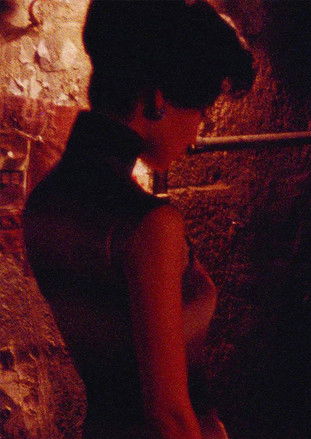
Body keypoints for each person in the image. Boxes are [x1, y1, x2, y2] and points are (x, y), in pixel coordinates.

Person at [22, 1, 254, 438]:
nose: (197, 134)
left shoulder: (46, 199)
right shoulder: (148, 224)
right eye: (201, 110)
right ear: (158, 100)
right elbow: (167, 415)